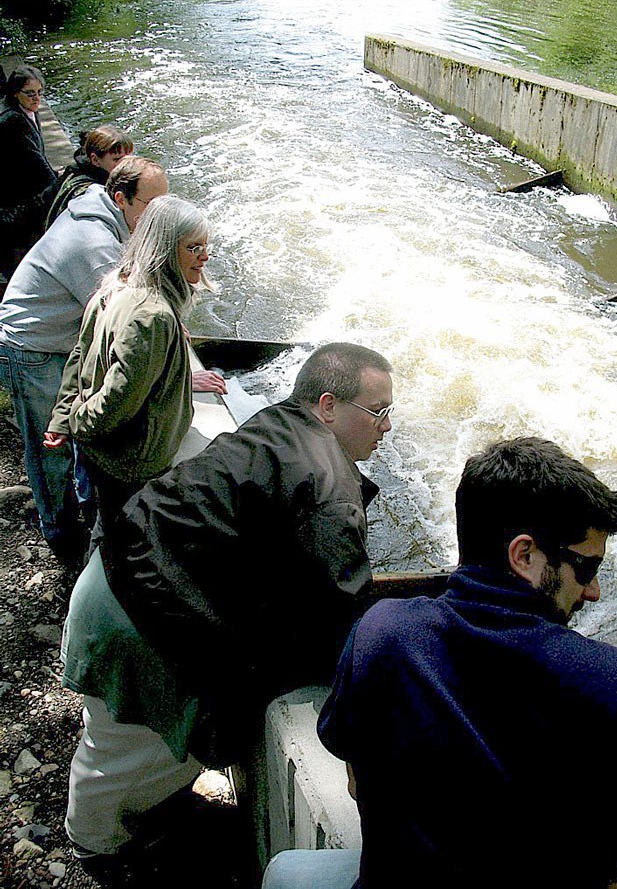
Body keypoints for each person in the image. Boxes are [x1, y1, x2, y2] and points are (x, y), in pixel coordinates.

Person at [264, 437, 617, 889]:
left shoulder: (382, 633)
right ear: (524, 556)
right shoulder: (610, 680)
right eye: (586, 568)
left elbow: (358, 783)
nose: (593, 591)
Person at [59, 341, 394, 870]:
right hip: (137, 622)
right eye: (379, 412)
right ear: (328, 406)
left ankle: (121, 821)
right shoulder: (331, 486)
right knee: (124, 756)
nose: (387, 427)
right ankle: (99, 847)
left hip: (111, 575)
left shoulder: (276, 424)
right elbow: (341, 615)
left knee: (114, 732)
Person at [0, 155, 169, 563]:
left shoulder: (105, 212)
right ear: (120, 197)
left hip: (56, 339)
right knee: (49, 447)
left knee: (71, 435)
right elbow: (119, 319)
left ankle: (77, 506)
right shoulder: (93, 243)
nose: (160, 215)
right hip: (31, 348)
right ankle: (60, 533)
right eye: (153, 206)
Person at [45, 194, 222, 538]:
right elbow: (119, 399)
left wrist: (62, 418)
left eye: (206, 245)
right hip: (133, 463)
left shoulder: (117, 284)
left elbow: (79, 356)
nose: (205, 256)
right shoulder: (153, 316)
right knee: (125, 537)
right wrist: (77, 424)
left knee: (105, 523)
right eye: (193, 248)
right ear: (165, 250)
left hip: (109, 455)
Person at [0, 64, 57, 284]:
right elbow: (36, 163)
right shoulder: (12, 121)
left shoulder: (29, 113)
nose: (36, 99)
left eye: (40, 93)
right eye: (30, 93)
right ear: (15, 93)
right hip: (14, 204)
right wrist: (61, 185)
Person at [45, 124, 134, 229]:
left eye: (128, 157)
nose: (126, 164)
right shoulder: (85, 192)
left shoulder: (83, 169)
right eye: (117, 159)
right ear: (95, 160)